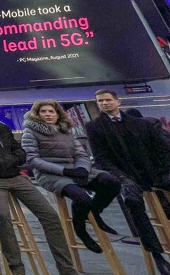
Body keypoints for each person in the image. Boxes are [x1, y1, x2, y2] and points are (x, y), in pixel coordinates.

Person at [0, 94, 76, 275]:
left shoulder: (2, 128)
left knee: (50, 215)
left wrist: (16, 159)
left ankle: (66, 269)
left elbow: (17, 149)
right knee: (3, 217)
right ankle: (16, 269)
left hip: (15, 176)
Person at [85, 90, 170, 275]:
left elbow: (164, 150)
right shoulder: (94, 127)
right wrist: (122, 178)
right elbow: (102, 159)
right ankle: (157, 254)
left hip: (153, 174)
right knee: (134, 204)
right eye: (100, 101)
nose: (104, 103)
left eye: (107, 100)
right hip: (126, 176)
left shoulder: (141, 124)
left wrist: (168, 173)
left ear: (117, 102)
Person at [21, 100, 120, 253]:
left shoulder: (66, 129)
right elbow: (32, 159)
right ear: (37, 114)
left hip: (75, 168)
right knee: (82, 198)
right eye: (43, 111)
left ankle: (93, 212)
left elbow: (80, 153)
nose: (48, 114)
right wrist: (64, 172)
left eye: (51, 111)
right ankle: (81, 230)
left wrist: (83, 169)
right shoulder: (30, 131)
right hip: (51, 174)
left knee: (111, 182)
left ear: (57, 114)